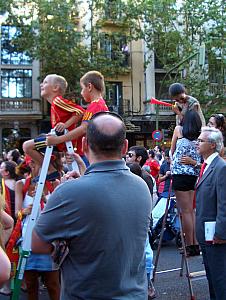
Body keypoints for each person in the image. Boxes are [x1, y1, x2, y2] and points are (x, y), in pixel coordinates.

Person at [32, 112, 151, 300]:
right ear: (125, 147)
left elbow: (37, 244)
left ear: (85, 144)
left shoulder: (68, 192)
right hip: (134, 294)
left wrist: (62, 194)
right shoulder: (141, 186)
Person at [15, 156, 61, 300]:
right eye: (33, 163)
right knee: (30, 285)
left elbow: (60, 212)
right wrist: (24, 211)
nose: (36, 167)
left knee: (53, 284)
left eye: (40, 164)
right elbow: (17, 213)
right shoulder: (21, 184)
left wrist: (45, 199)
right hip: (28, 240)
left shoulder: (55, 183)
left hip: (49, 241)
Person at [46, 71, 109, 162]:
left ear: (90, 87)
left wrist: (57, 140)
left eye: (82, 88)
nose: (81, 93)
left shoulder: (96, 105)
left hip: (89, 155)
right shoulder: (101, 105)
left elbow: (83, 129)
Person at [23, 74, 84, 165]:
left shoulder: (57, 101)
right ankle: (51, 170)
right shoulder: (55, 104)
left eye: (45, 82)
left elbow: (80, 111)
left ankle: (51, 171)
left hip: (60, 140)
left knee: (27, 146)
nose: (41, 85)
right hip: (61, 141)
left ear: (55, 87)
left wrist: (65, 125)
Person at [196, 127, 226, 300]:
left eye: (201, 141)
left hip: (216, 235)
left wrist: (221, 232)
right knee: (212, 278)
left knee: (219, 279)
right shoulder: (206, 165)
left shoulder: (221, 168)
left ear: (213, 145)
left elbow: (224, 203)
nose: (197, 143)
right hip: (206, 233)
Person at [171, 110, 202, 256]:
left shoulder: (179, 130)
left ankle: (189, 245)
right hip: (194, 174)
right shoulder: (200, 137)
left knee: (185, 212)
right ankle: (196, 243)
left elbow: (171, 152)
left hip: (180, 174)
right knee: (192, 210)